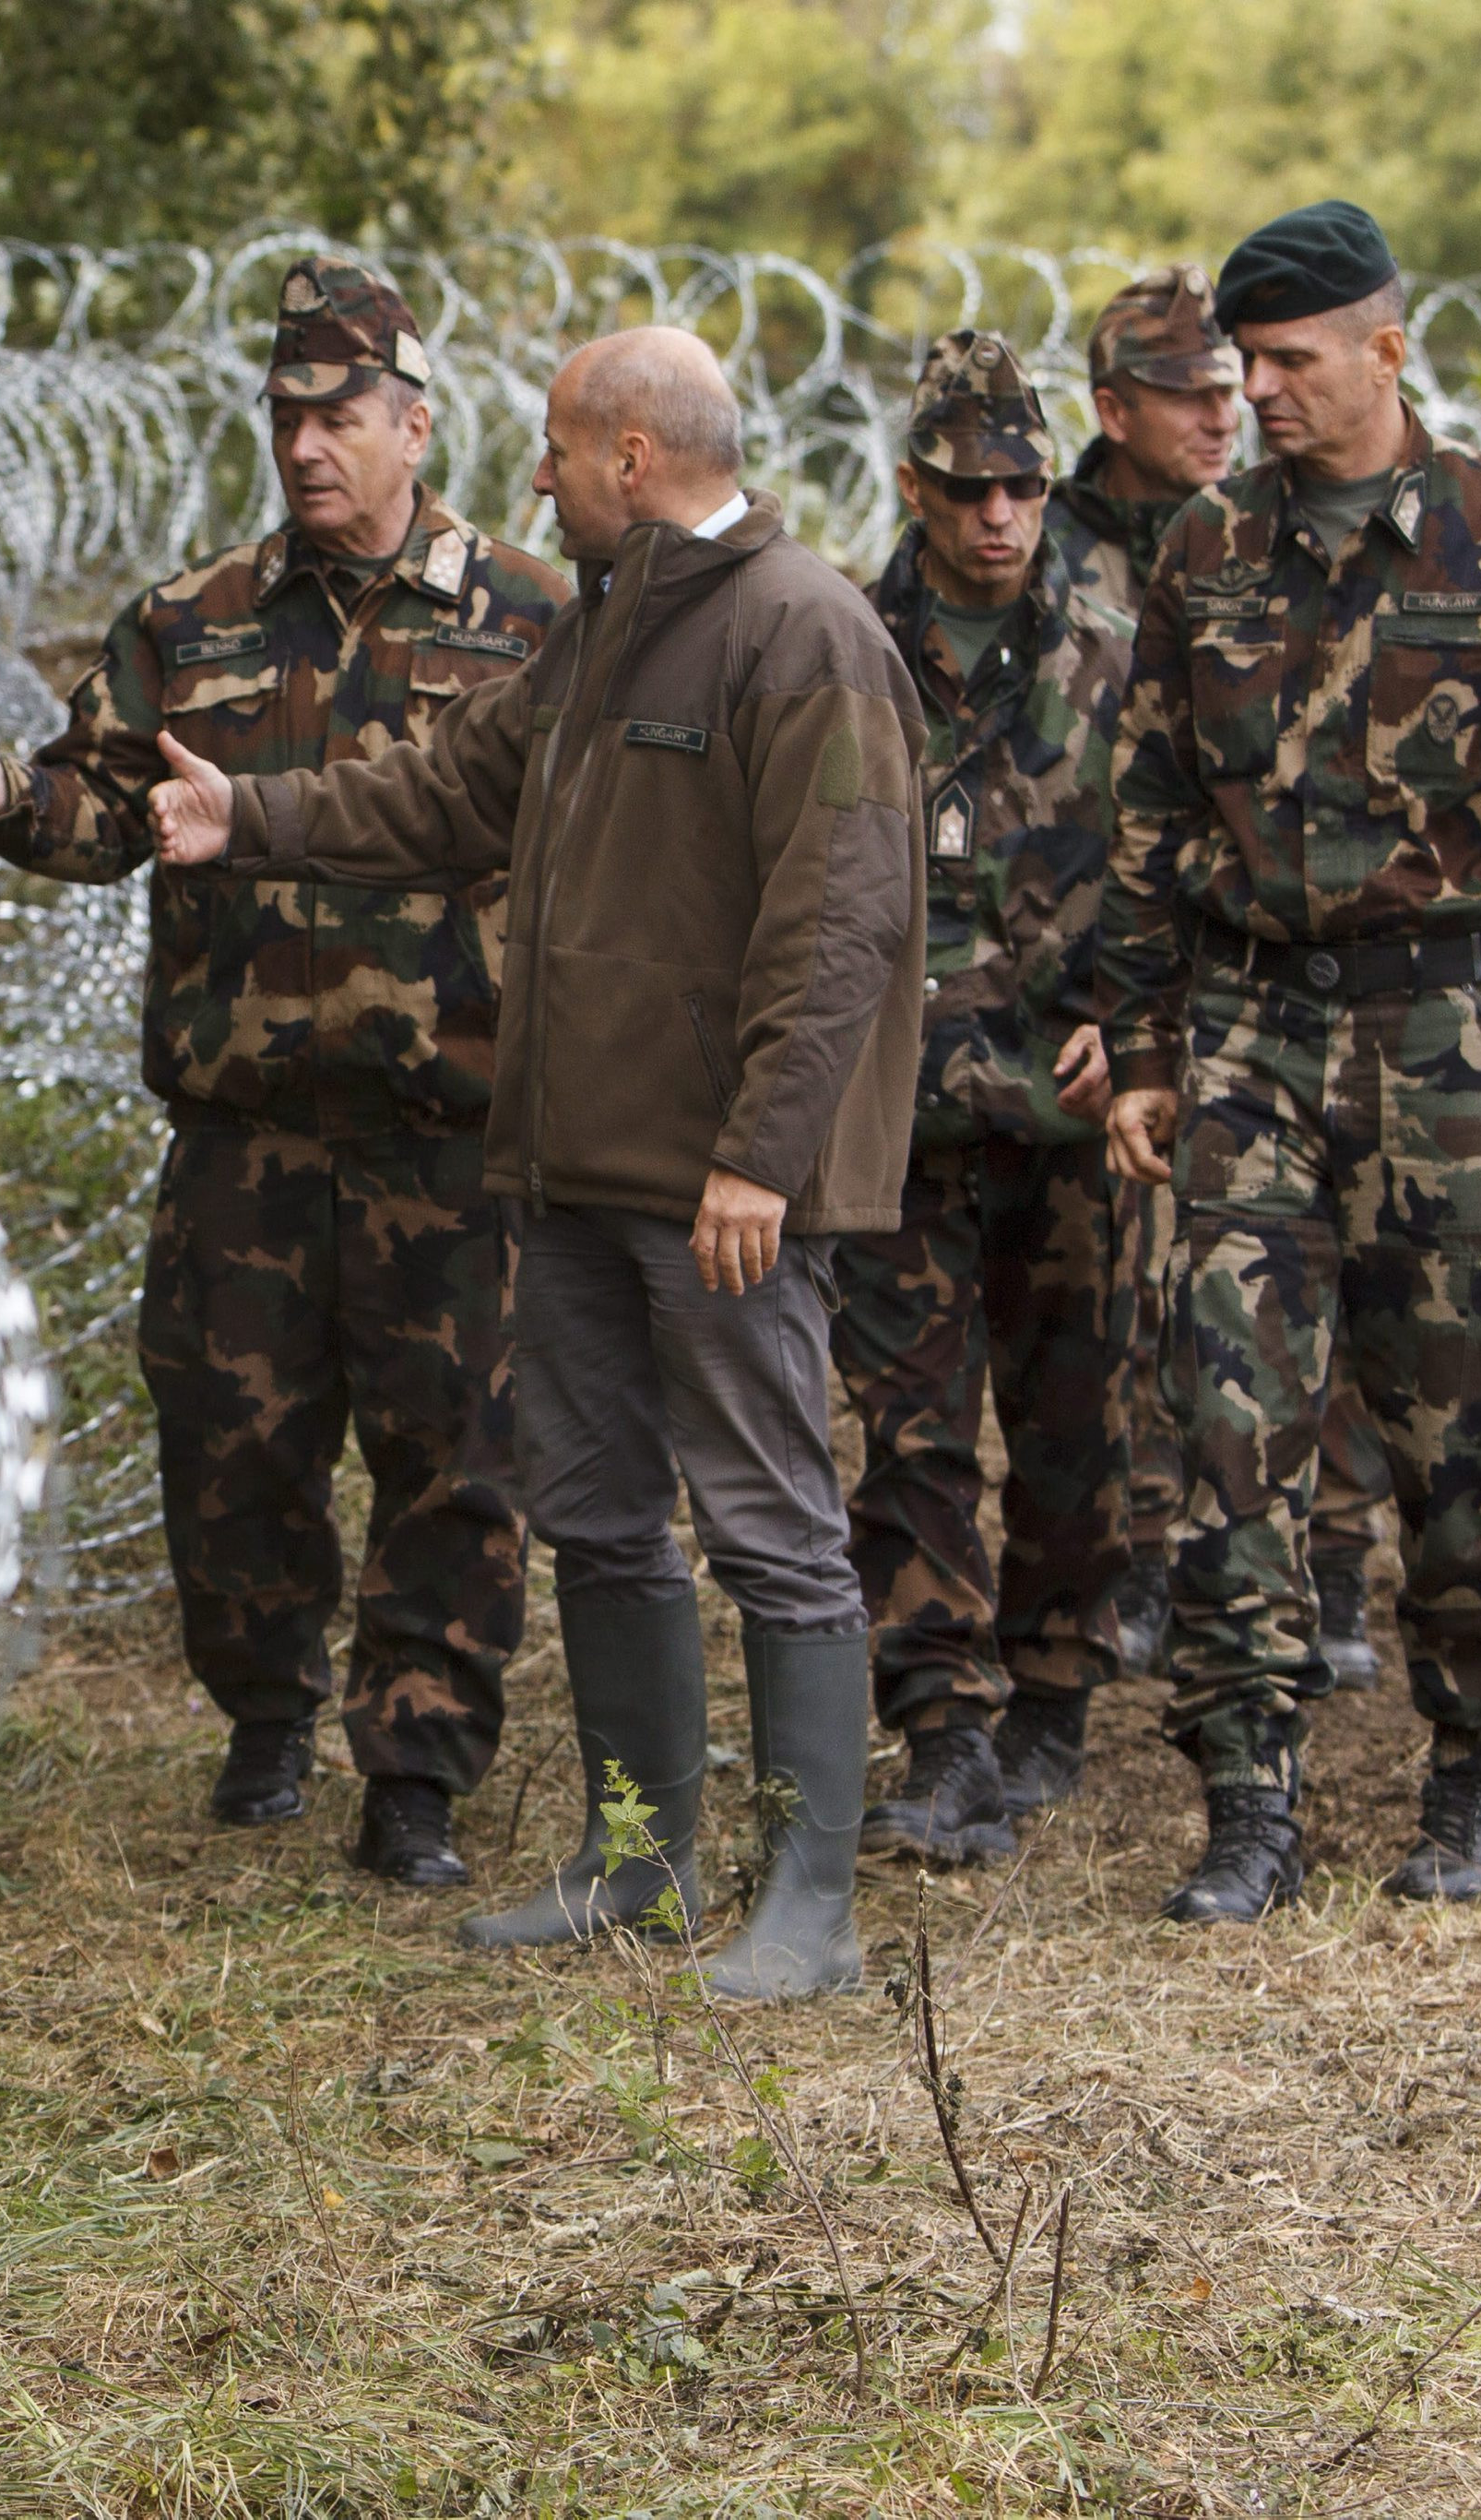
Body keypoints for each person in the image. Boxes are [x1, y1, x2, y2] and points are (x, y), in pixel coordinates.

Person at [139, 327, 927, 2002]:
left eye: (559, 454)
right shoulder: (600, 633)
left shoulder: (808, 633)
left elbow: (842, 919)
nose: (535, 484)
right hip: (570, 1171)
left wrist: (762, 1159)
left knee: (773, 1527)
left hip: (718, 1188)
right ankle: (636, 1857)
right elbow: (446, 790)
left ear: (634, 458)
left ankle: (811, 1903)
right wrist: (250, 820)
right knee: (600, 1519)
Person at [0, 256, 569, 1885]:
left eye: (340, 418)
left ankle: (416, 1767)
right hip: (248, 1128)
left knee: (453, 1456)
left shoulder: (533, 616)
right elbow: (96, 813)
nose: (309, 447)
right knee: (229, 1445)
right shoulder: (193, 623)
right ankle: (265, 1713)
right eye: (286, 419)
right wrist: (1, 798)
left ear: (415, 423)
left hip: (447, 1129)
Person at [1101, 201, 1481, 1921]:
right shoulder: (1205, 555)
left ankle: (1477, 1772)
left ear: (1384, 350)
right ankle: (1247, 1795)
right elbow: (1143, 817)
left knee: (1468, 1416)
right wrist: (1139, 1047)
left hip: (1452, 1040)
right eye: (1241, 366)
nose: (1257, 391)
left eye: (1287, 362)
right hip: (1252, 1033)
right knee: (1227, 1413)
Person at [1052, 267, 1396, 1697]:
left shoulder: (1290, 531)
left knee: (1340, 1292)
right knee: (1167, 1311)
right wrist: (1105, 1012)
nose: (1227, 407)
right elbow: (1084, 811)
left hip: (1304, 994)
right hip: (1134, 983)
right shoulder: (1061, 554)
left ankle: (1337, 1568)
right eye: (1194, 388)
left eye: (1236, 379)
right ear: (1114, 406)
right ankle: (1163, 1567)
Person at [840, 331, 1131, 1863]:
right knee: (913, 1438)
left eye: (1024, 485)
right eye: (970, 491)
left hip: (1069, 1108)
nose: (1002, 517)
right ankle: (943, 1729)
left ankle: (1057, 1692)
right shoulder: (843, 641)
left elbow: (1172, 865)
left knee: (1078, 1424)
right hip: (894, 1116)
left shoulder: (1114, 639)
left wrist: (1141, 1030)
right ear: (916, 488)